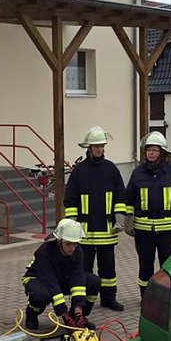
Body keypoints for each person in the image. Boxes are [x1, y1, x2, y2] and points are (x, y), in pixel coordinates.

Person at [63, 126, 128, 312]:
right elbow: (70, 199)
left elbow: (120, 196)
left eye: (101, 146)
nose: (99, 149)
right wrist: (72, 226)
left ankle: (109, 298)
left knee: (108, 269)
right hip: (84, 232)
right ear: (89, 148)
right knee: (83, 270)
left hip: (107, 230)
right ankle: (81, 302)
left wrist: (120, 220)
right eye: (95, 146)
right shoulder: (79, 171)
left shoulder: (111, 170)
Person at [123, 132, 171, 297]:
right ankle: (146, 297)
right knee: (145, 265)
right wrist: (128, 221)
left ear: (162, 152)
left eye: (154, 150)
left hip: (168, 231)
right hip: (144, 231)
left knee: (167, 266)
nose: (151, 153)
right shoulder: (138, 173)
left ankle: (167, 297)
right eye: (148, 150)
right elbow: (130, 198)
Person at [22, 218, 100, 331]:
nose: (72, 248)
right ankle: (31, 314)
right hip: (37, 278)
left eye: (75, 244)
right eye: (68, 244)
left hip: (61, 278)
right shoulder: (45, 252)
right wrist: (63, 314)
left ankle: (77, 316)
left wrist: (78, 313)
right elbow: (50, 281)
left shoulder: (78, 251)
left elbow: (78, 277)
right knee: (41, 296)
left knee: (94, 282)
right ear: (59, 241)